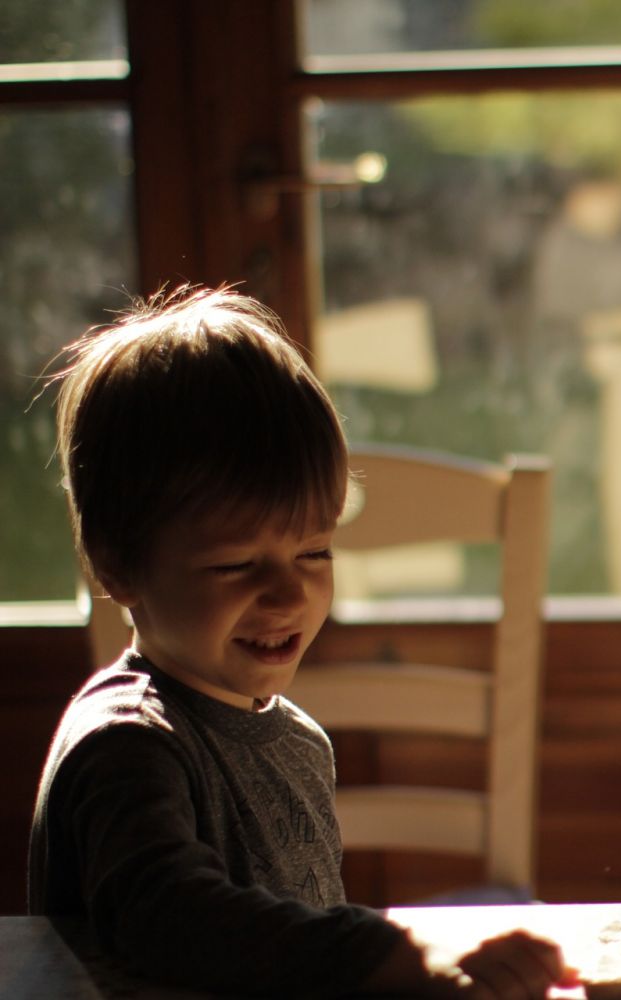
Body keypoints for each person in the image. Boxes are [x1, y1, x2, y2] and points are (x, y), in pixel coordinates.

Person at [30, 286, 577, 998]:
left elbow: (292, 946)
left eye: (314, 554)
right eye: (235, 565)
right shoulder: (127, 746)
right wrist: (384, 957)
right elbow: (168, 918)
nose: (289, 595)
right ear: (117, 565)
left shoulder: (296, 742)